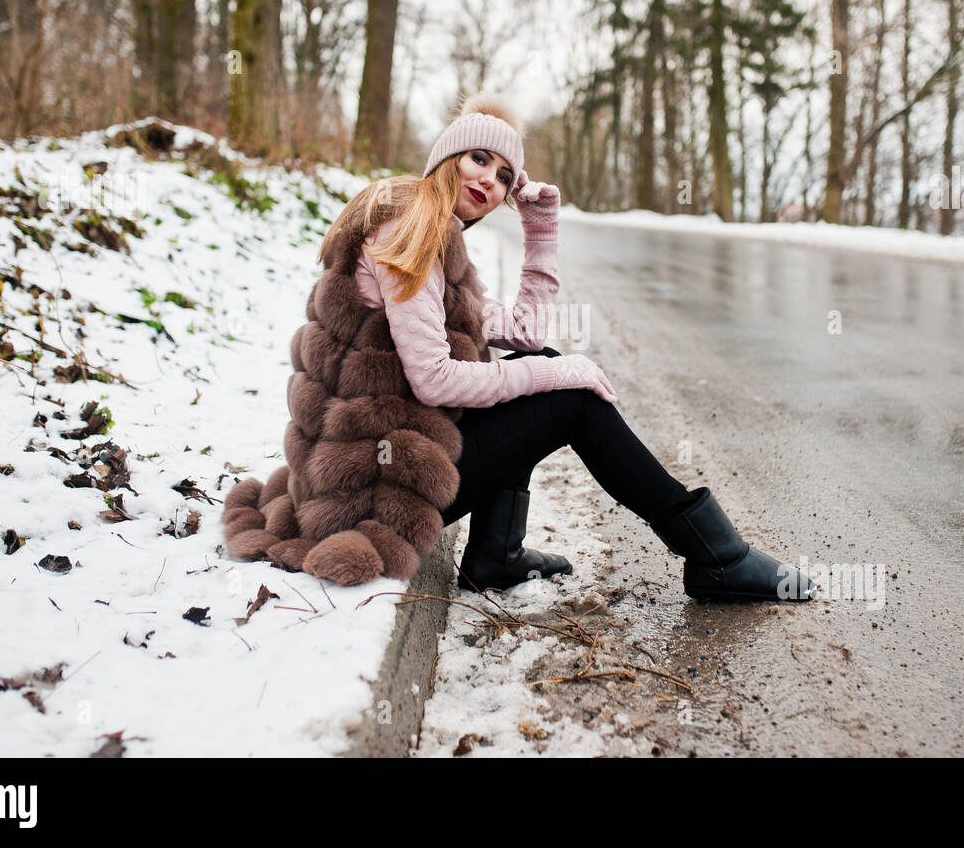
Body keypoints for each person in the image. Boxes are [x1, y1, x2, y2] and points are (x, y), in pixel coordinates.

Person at [222, 92, 814, 602]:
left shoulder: (426, 230)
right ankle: (718, 557)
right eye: (479, 158)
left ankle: (496, 558)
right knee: (567, 397)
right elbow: (435, 380)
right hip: (382, 491)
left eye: (505, 175)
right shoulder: (410, 233)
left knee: (543, 367)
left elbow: (527, 331)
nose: (489, 180)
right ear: (448, 158)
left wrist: (540, 229)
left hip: (381, 465)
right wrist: (557, 380)